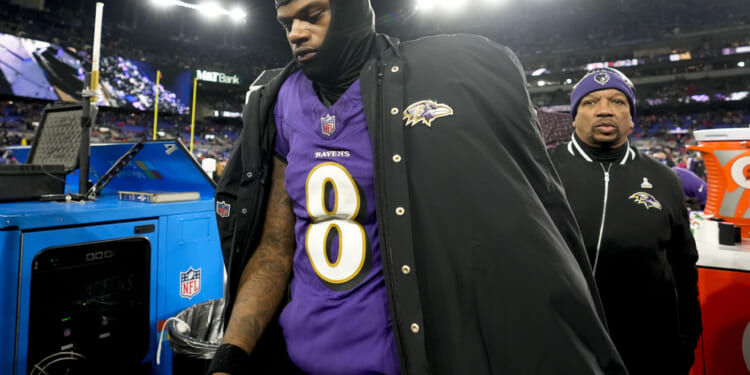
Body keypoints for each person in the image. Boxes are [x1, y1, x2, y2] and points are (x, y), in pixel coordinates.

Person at [209, 0, 627, 374]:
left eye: (313, 15)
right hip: (299, 357)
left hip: (401, 358)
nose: (297, 32)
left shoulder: (417, 85)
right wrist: (232, 351)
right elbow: (277, 246)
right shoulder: (283, 100)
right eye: (287, 23)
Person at [548, 67, 702, 374]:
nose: (605, 110)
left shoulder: (665, 179)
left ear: (631, 118)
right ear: (574, 117)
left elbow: (683, 265)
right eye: (590, 102)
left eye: (618, 101)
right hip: (562, 343)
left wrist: (687, 338)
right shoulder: (541, 171)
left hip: (649, 348)